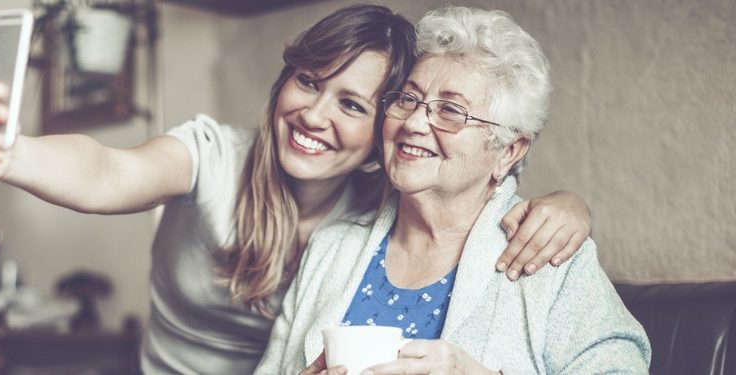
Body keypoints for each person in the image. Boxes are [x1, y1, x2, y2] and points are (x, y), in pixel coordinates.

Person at [0, 5, 593, 374]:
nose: (315, 116)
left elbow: (476, 173)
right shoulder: (217, 159)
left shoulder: (379, 208)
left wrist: (571, 207)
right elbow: (107, 171)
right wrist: (11, 152)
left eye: (352, 103)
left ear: (379, 132)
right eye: (308, 82)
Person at [256, 6, 650, 375]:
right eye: (408, 99)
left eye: (450, 111)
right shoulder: (332, 247)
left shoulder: (547, 251)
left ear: (508, 151)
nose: (413, 123)